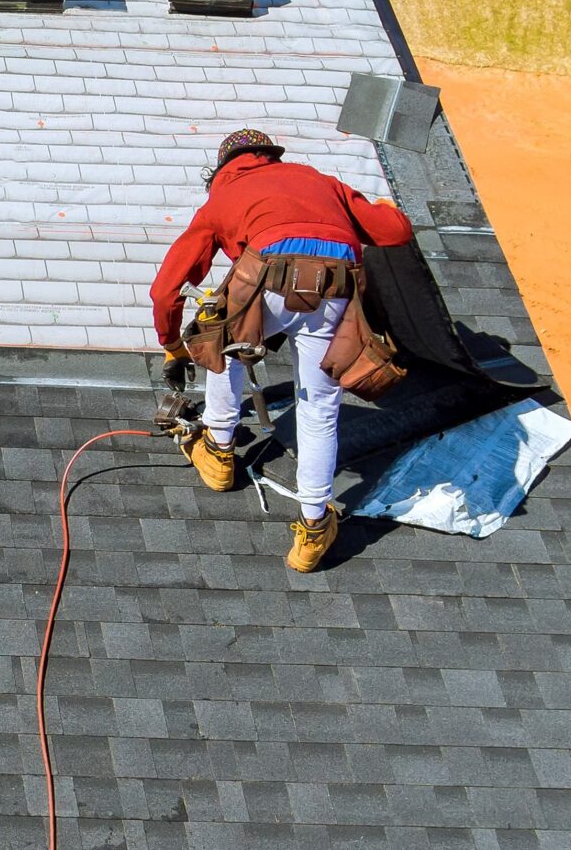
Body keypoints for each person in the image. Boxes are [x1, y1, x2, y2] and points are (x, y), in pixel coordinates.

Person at [149, 129, 415, 573]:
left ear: (222, 168)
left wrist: (174, 345)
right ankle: (313, 527)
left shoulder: (224, 196)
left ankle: (218, 450)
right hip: (334, 286)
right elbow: (395, 232)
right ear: (270, 157)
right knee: (319, 409)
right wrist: (384, 207)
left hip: (266, 280)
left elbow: (166, 291)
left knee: (224, 340)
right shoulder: (319, 179)